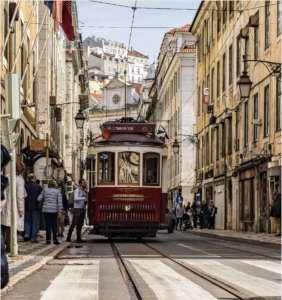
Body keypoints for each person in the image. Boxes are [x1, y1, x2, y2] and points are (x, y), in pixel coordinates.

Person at [1, 162, 26, 253]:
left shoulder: (6, 177)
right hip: (13, 204)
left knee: (3, 225)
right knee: (11, 226)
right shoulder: (19, 180)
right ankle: (10, 246)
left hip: (4, 203)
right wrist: (21, 209)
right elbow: (20, 196)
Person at [37, 180, 62, 245]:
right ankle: (55, 239)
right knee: (54, 224)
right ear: (55, 184)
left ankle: (48, 239)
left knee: (48, 224)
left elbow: (39, 199)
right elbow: (59, 202)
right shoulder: (57, 191)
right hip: (54, 209)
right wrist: (59, 211)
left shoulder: (45, 190)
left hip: (46, 209)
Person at [24, 174, 43, 243]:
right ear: (34, 178)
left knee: (27, 221)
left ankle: (27, 234)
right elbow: (42, 196)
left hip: (26, 206)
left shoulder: (25, 186)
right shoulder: (38, 186)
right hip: (36, 207)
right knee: (35, 222)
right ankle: (33, 238)